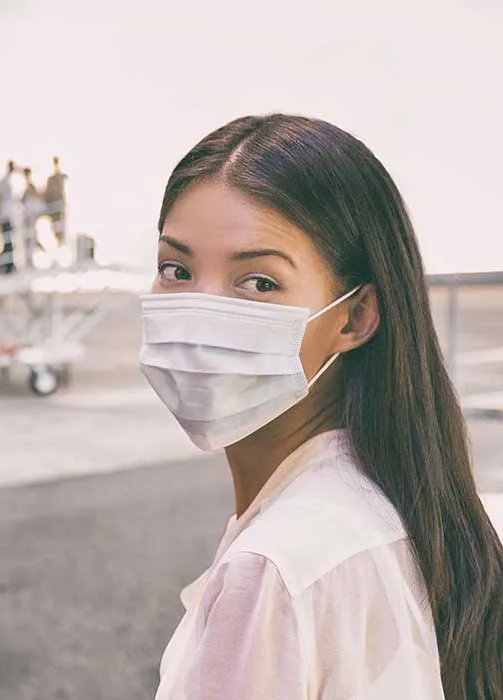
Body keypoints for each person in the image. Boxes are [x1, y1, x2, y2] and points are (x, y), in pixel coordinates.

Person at [145, 114, 503, 700]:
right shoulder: (388, 505)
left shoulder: (274, 569)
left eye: (259, 283)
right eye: (176, 269)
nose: (199, 320)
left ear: (355, 316)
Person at [0, 160, 17, 272]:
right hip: (4, 216)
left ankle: (8, 264)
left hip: (8, 216)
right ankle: (7, 265)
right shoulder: (3, 182)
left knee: (9, 241)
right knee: (7, 241)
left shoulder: (7, 181)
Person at [43, 156, 68, 245]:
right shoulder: (52, 179)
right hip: (55, 207)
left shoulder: (60, 177)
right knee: (57, 228)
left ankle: (60, 243)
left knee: (60, 228)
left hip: (59, 206)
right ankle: (59, 242)